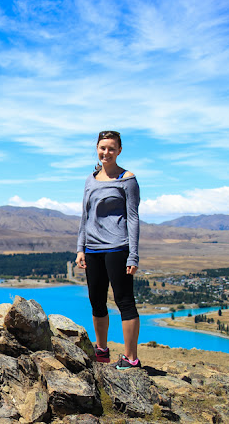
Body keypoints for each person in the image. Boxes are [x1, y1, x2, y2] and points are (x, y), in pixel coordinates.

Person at [75, 130, 141, 370]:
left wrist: (133, 254)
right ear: (97, 148)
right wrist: (80, 247)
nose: (106, 152)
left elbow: (132, 218)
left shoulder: (127, 179)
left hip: (117, 247)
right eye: (103, 148)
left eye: (111, 148)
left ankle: (131, 358)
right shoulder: (91, 179)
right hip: (92, 249)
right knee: (97, 301)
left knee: (124, 301)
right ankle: (101, 350)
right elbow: (85, 215)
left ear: (119, 150)